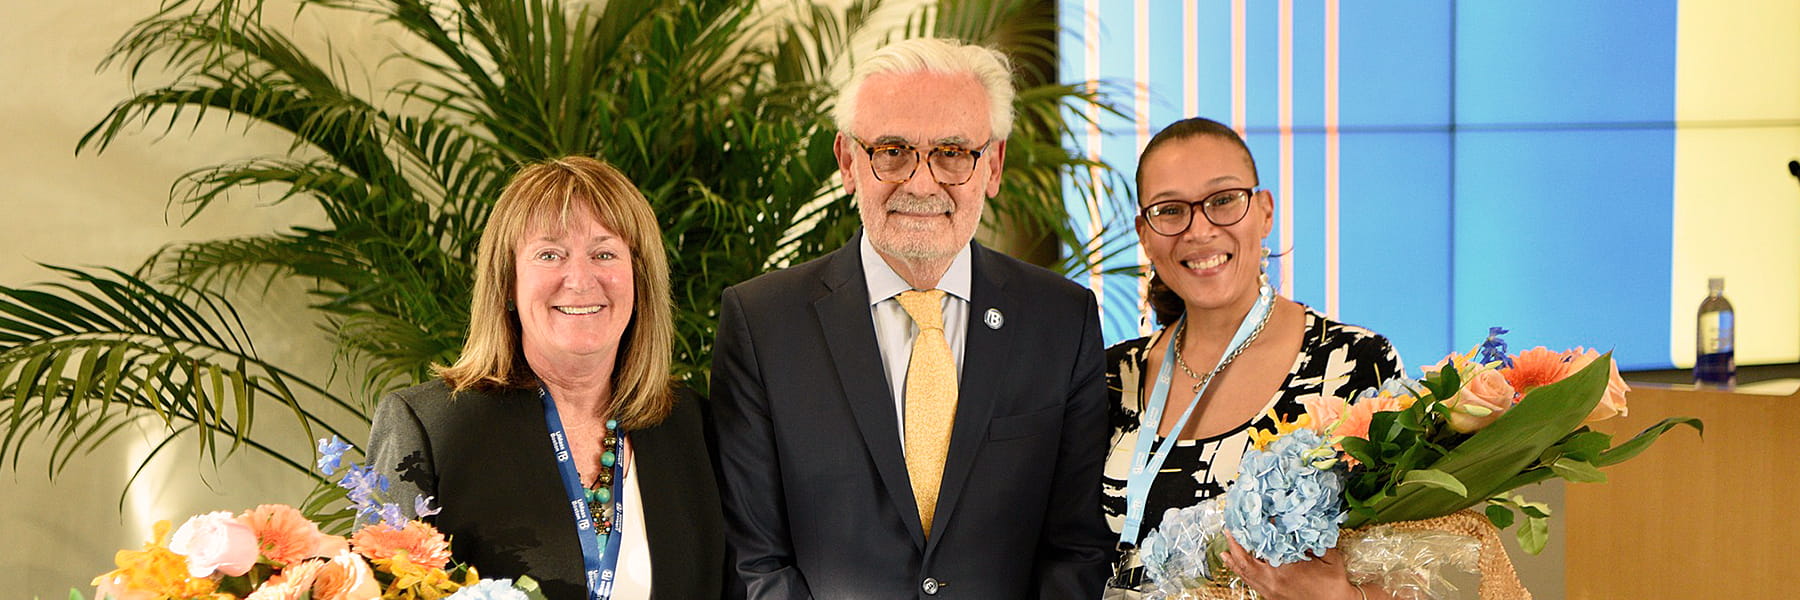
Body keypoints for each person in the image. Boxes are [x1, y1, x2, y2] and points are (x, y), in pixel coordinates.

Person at [708, 38, 1113, 599]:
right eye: (892, 151)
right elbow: (753, 556)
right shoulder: (762, 323)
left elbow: (1079, 547)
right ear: (849, 162)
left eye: (952, 152)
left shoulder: (1062, 321)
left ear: (992, 166)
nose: (921, 184)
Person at [367, 156, 724, 600]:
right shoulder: (428, 428)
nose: (579, 280)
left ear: (640, 278)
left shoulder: (693, 426)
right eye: (549, 254)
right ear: (508, 283)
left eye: (604, 253)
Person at [1100, 118, 1405, 600]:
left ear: (1264, 211)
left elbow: (1413, 574)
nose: (1199, 230)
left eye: (1223, 201)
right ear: (1145, 232)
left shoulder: (1353, 365)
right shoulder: (1110, 377)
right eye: (1171, 210)